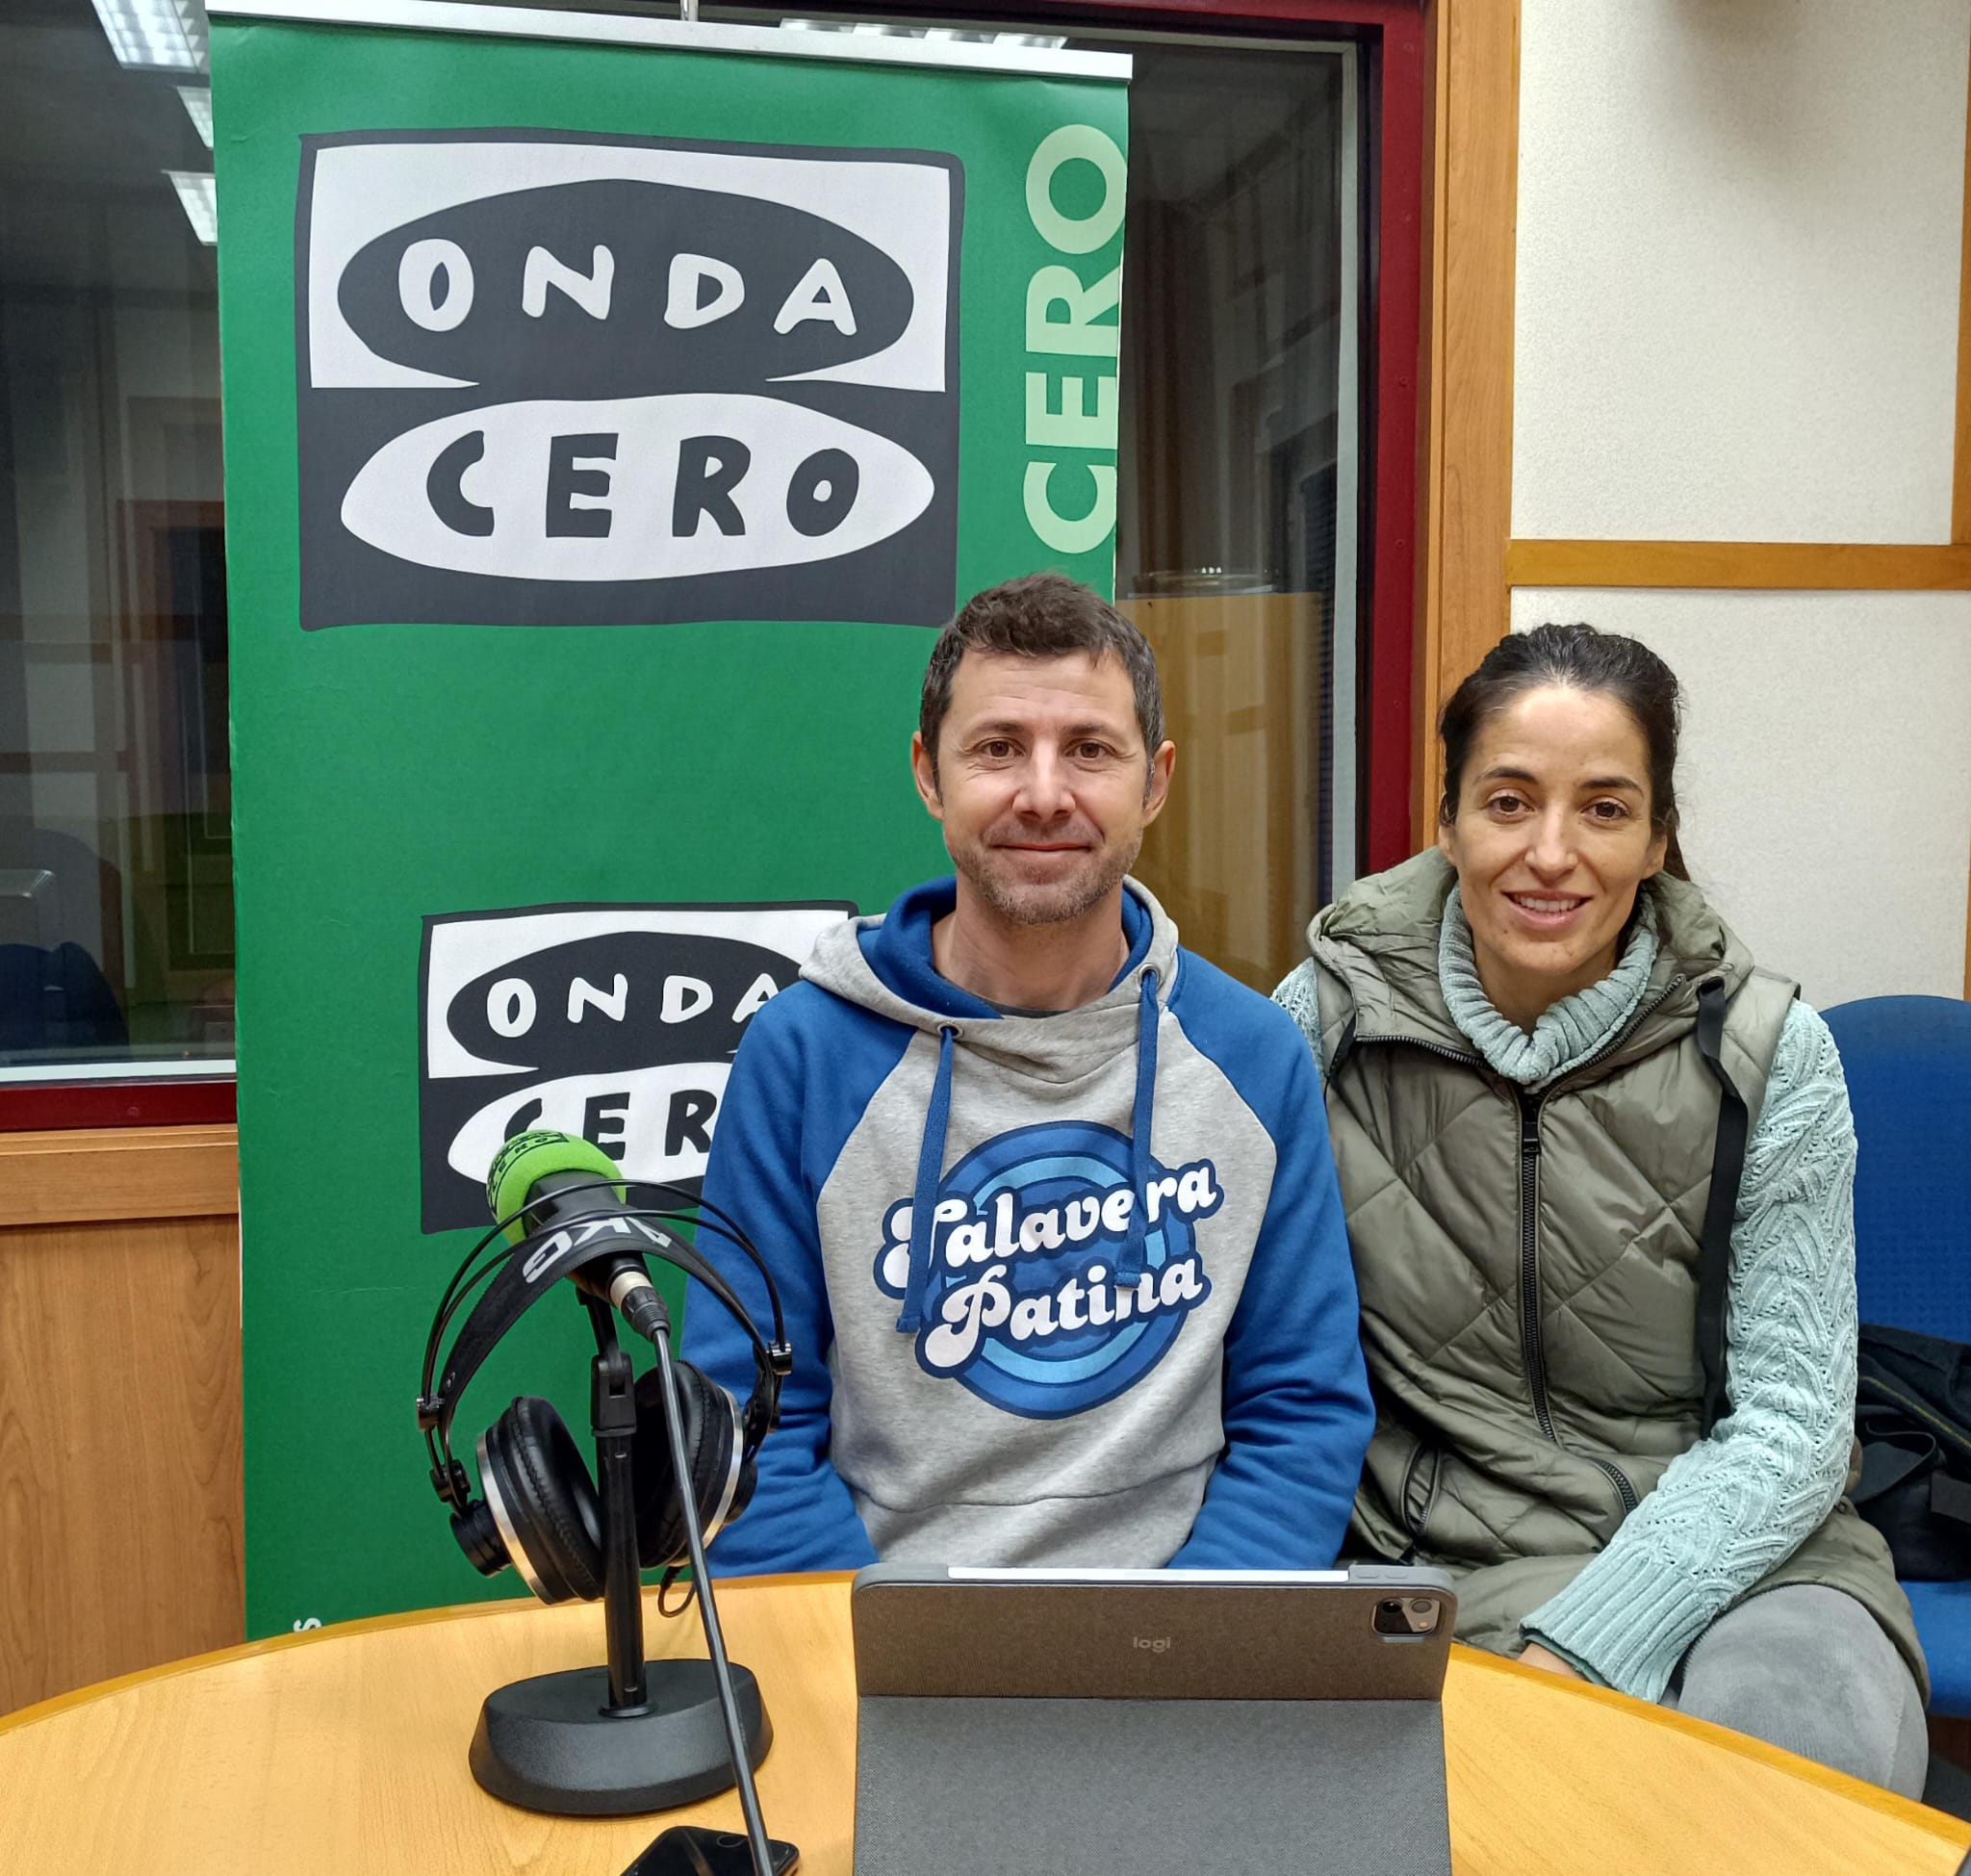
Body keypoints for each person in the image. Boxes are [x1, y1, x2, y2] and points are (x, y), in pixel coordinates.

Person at [1273, 622, 1928, 1793]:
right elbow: (1254, 1359)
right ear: (1447, 821)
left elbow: (1790, 1424)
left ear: (1658, 837)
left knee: (1781, 1776)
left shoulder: (1770, 1056)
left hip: (1750, 1557)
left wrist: (1588, 1639)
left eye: (1605, 808)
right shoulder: (1321, 1027)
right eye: (1509, 801)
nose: (1550, 854)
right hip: (1431, 1560)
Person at [684, 571, 1373, 1573]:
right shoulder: (802, 1055)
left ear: (1156, 780)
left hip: (1175, 1644)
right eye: (998, 747)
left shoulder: (1253, 1056)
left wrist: (1177, 1654)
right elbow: (745, 1428)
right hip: (881, 1636)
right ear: (928, 773)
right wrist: (879, 1659)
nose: (1043, 793)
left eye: (1089, 750)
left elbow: (1300, 1410)